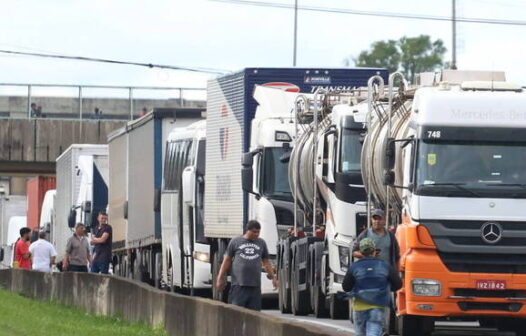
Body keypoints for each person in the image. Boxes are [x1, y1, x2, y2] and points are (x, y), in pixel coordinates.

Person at [343, 238, 402, 336]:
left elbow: (346, 287)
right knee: (374, 332)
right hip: (378, 306)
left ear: (361, 252)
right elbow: (398, 284)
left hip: (359, 307)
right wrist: (387, 289)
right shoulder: (385, 265)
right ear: (374, 251)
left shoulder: (354, 267)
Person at [216, 220, 278, 311]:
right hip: (239, 284)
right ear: (247, 230)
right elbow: (227, 260)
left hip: (255, 286)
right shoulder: (235, 242)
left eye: (258, 232)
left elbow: (266, 262)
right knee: (237, 312)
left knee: (254, 314)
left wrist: (273, 278)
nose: (256, 234)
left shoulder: (261, 243)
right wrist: (220, 277)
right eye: (254, 232)